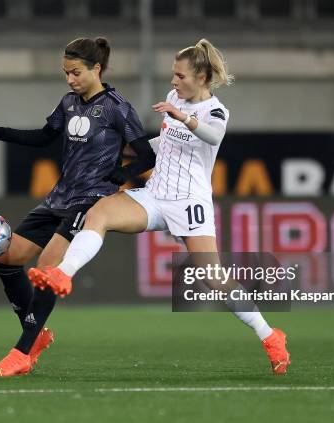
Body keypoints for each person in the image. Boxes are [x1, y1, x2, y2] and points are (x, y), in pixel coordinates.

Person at [29, 39, 291, 375]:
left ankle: (270, 335)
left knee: (214, 278)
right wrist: (122, 149)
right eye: (173, 75)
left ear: (201, 77)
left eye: (180, 76)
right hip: (156, 195)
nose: (173, 82)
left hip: (189, 203)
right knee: (100, 213)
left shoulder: (215, 112)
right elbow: (164, 141)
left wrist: (183, 117)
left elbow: (211, 137)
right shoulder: (173, 100)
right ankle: (63, 275)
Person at [0, 37, 155, 377]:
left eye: (76, 72)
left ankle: (22, 352)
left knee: (47, 267)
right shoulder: (69, 102)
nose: (70, 80)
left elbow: (146, 155)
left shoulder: (117, 106)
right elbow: (44, 137)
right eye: (66, 73)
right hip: (58, 198)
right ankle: (36, 333)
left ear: (96, 69)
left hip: (89, 202)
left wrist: (122, 175)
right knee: (7, 259)